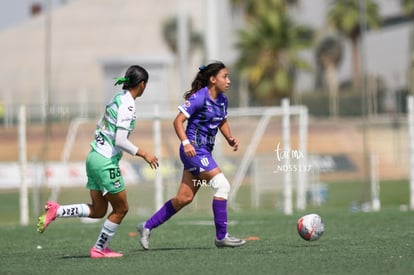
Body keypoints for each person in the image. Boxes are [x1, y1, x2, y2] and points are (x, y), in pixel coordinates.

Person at [37, 65, 159, 258]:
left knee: (99, 210)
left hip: (93, 157)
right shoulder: (128, 104)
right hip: (105, 161)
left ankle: (57, 210)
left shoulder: (115, 99)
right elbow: (120, 140)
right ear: (142, 84)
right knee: (121, 208)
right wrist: (144, 153)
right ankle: (99, 249)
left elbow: (101, 126)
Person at [137, 61, 246, 249]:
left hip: (203, 152)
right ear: (212, 79)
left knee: (184, 198)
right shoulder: (199, 98)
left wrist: (229, 138)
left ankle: (146, 226)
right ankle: (222, 237)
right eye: (224, 76)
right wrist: (186, 143)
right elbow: (178, 121)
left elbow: (222, 121)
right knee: (222, 185)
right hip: (193, 150)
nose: (228, 81)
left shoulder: (222, 100)